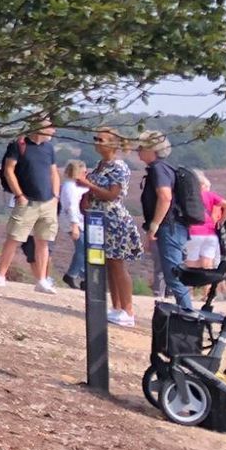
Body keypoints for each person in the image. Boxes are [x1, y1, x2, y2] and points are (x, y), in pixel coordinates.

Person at [0, 121, 60, 293]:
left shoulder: (49, 148)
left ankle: (41, 280)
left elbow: (53, 172)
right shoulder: (19, 145)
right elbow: (8, 170)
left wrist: (56, 195)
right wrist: (19, 194)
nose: (53, 130)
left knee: (43, 241)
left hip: (48, 202)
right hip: (27, 201)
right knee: (14, 238)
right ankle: (0, 275)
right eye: (50, 126)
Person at [86, 129, 142, 327]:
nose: (96, 142)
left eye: (100, 139)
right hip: (99, 218)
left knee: (118, 264)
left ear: (112, 144)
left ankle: (128, 309)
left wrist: (88, 185)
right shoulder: (100, 166)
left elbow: (112, 194)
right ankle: (116, 306)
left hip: (114, 219)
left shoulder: (120, 168)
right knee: (109, 263)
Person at [136, 132, 193, 308]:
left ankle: (188, 316)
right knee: (173, 274)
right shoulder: (164, 168)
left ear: (152, 150)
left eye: (142, 147)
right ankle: (186, 314)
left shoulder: (158, 169)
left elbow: (165, 197)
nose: (138, 150)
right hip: (174, 228)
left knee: (173, 276)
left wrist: (154, 226)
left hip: (170, 228)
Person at [183, 171, 226, 272]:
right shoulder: (210, 195)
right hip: (210, 234)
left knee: (190, 265)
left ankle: (190, 286)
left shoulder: (187, 195)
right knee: (208, 266)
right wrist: (221, 222)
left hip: (193, 233)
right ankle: (206, 287)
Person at [58, 159, 89, 290]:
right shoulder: (69, 187)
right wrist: (74, 225)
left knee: (84, 248)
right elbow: (71, 207)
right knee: (82, 248)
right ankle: (73, 273)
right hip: (73, 221)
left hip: (76, 220)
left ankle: (82, 276)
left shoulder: (73, 186)